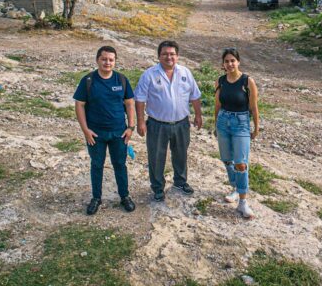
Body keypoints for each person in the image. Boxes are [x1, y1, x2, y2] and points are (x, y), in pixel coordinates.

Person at [134, 40, 203, 202]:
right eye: (165, 54)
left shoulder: (185, 73)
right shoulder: (149, 75)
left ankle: (180, 182)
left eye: (172, 54)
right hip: (157, 124)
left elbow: (195, 95)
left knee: (181, 154)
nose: (168, 57)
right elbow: (140, 99)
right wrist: (141, 121)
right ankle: (158, 188)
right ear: (159, 56)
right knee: (156, 157)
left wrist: (198, 115)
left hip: (182, 123)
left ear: (177, 56)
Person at [73, 46, 137, 215]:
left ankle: (124, 196)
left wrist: (131, 127)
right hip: (95, 134)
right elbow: (79, 105)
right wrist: (85, 130)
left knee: (120, 165)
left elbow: (130, 103)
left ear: (115, 61)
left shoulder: (121, 80)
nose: (107, 62)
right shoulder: (88, 80)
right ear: (97, 60)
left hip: (119, 133)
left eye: (111, 59)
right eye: (104, 59)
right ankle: (96, 198)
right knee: (96, 165)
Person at [214, 48, 259, 219]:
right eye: (226, 61)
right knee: (227, 159)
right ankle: (234, 187)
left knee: (241, 163)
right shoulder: (220, 81)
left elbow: (254, 107)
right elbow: (217, 105)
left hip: (241, 123)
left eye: (233, 60)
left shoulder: (247, 81)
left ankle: (243, 202)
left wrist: (256, 127)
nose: (230, 64)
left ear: (238, 62)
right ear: (223, 64)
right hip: (223, 122)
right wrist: (215, 125)